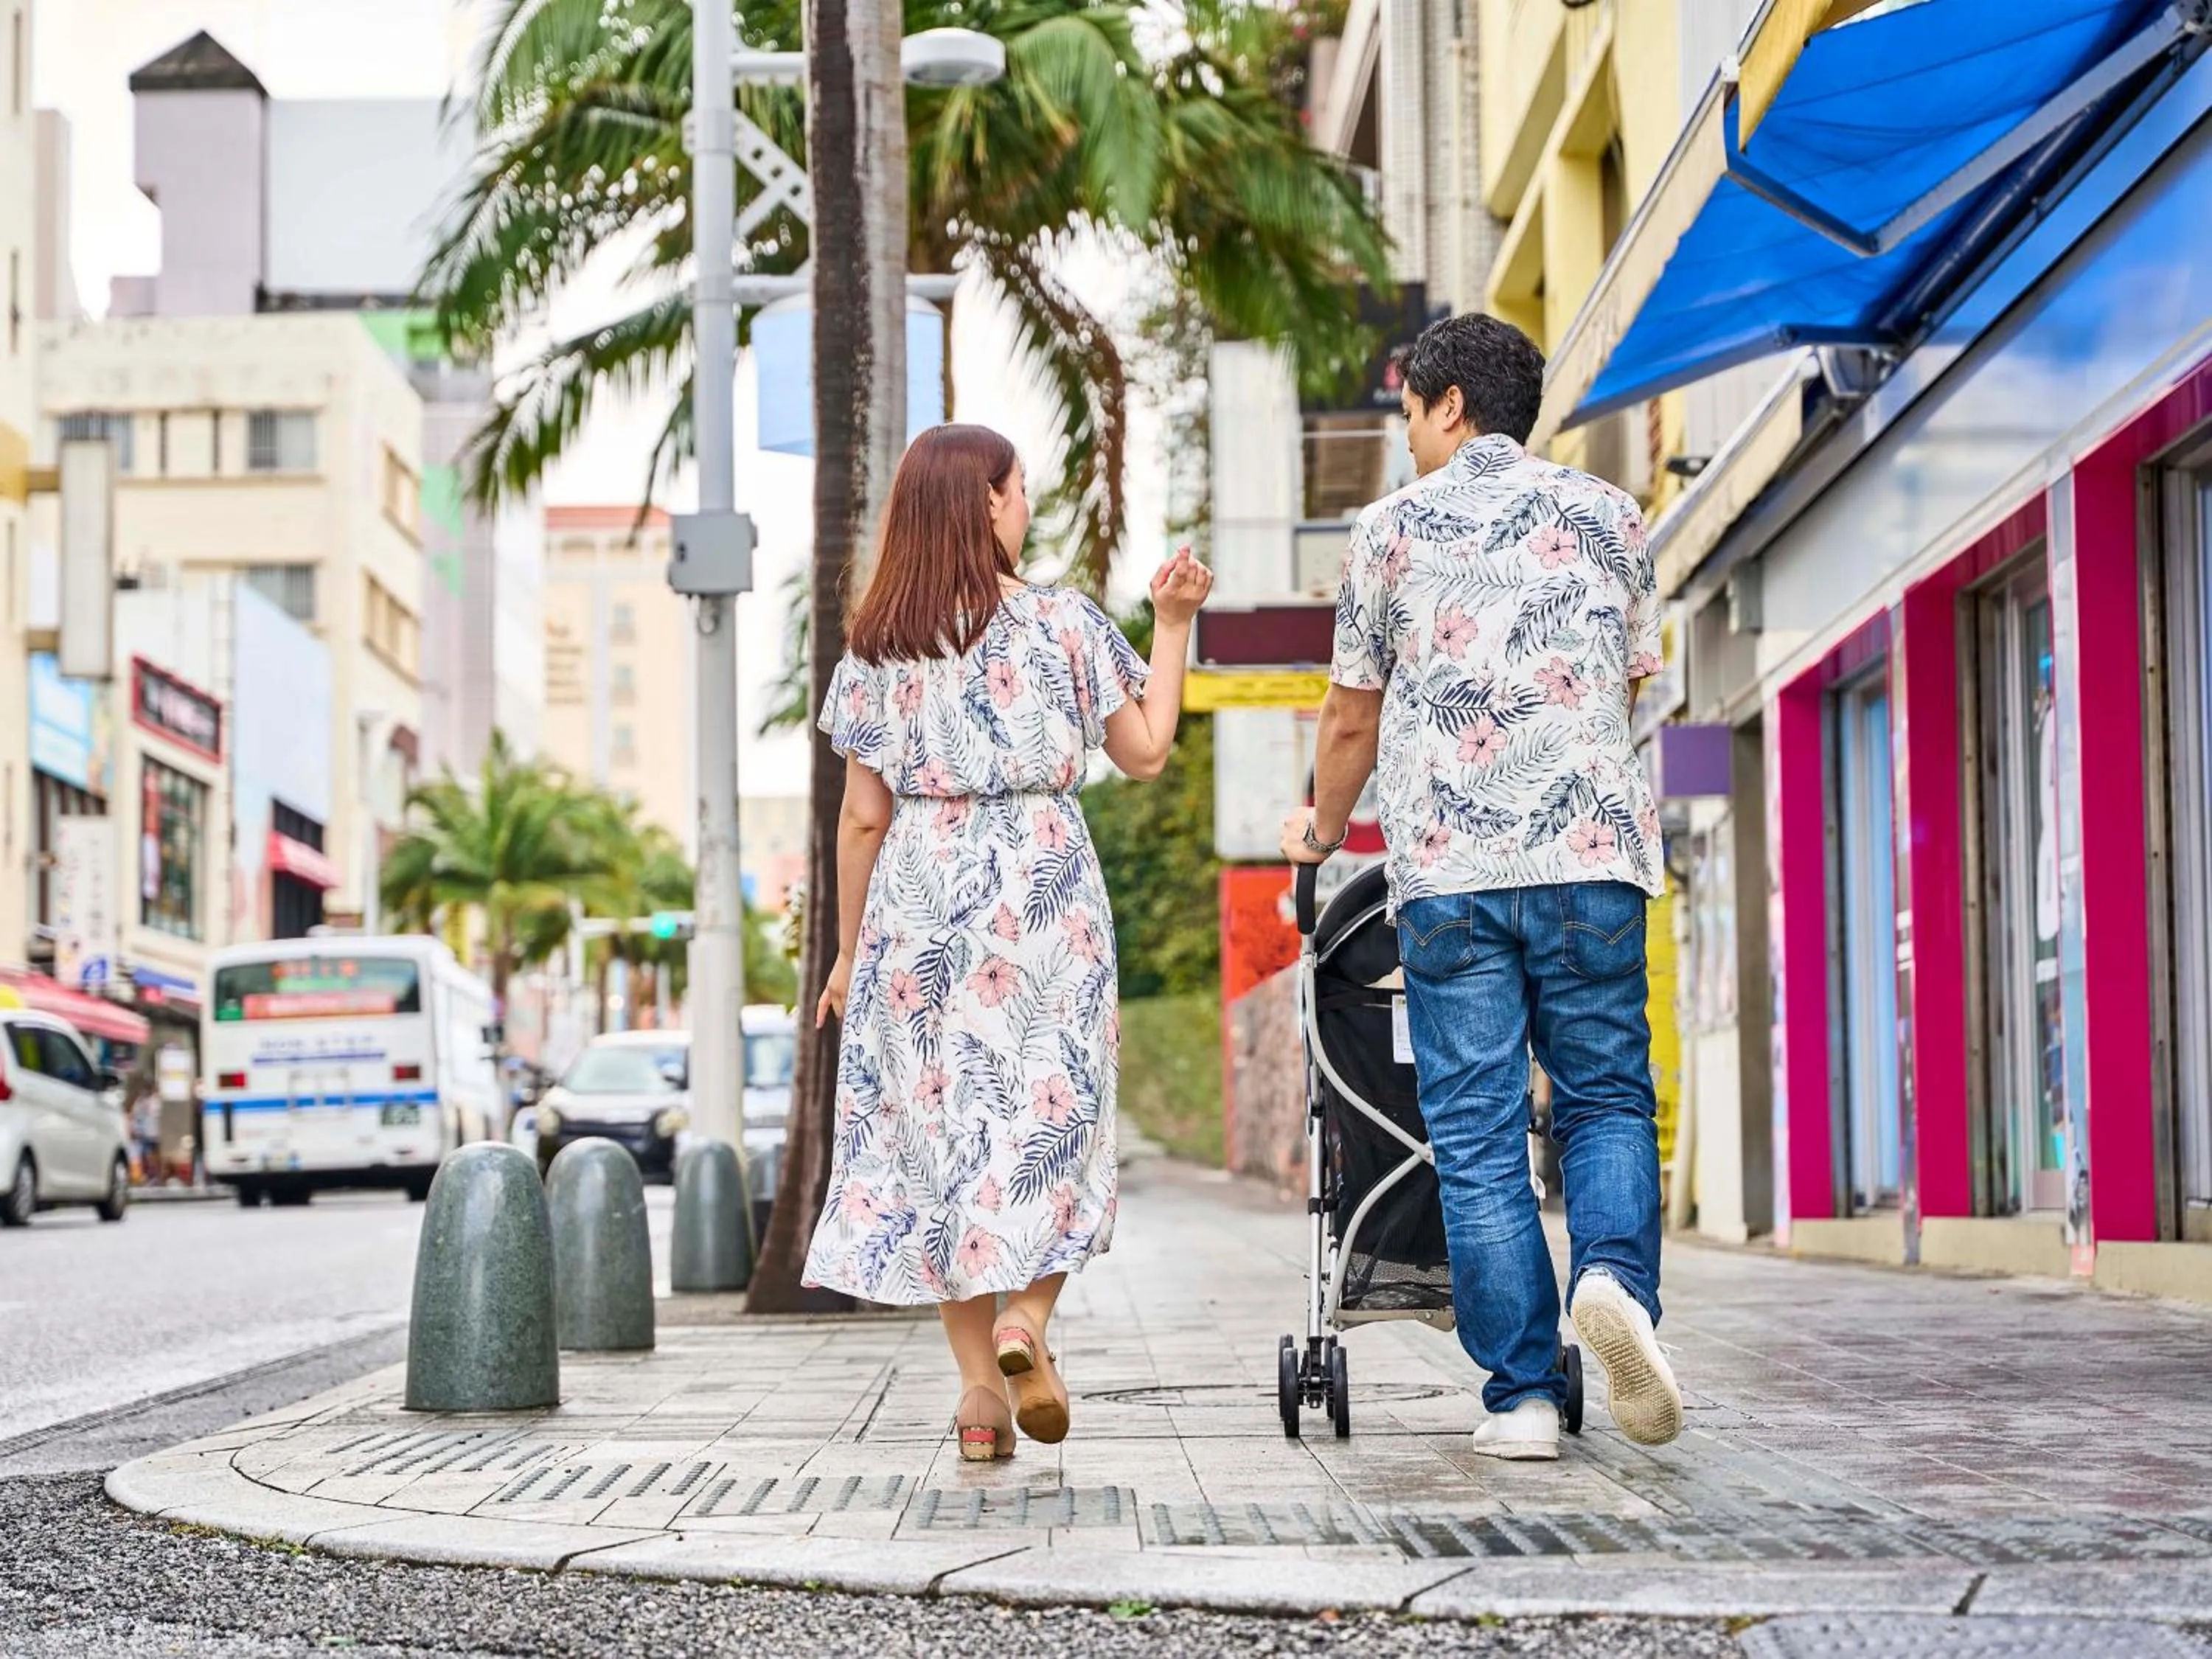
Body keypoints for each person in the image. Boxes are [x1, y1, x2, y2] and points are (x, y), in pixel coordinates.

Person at [1281, 313, 1681, 1461]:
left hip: (1452, 871)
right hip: (1591, 856)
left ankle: (1521, 1399)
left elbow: (1353, 712)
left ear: (1451, 406)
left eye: (1409, 411)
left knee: (1477, 1130)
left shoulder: (1389, 531)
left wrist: (1319, 827)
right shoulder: (1613, 516)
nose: (1405, 436)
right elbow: (1627, 676)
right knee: (1607, 1094)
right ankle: (1613, 1285)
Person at [807, 422, 1213, 1461]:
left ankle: (981, 1395)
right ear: (988, 504)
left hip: (919, 907)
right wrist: (1171, 623)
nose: (1027, 505)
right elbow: (1150, 752)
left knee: (940, 1149)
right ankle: (1028, 1315)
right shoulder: (1065, 624)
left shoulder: (875, 646)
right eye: (1021, 489)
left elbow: (859, 817)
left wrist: (851, 955)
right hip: (1043, 896)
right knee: (1055, 1122)